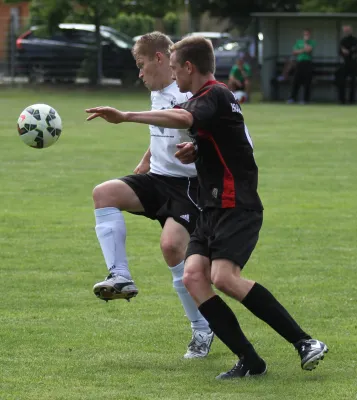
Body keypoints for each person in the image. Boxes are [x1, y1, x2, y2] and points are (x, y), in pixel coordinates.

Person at [85, 35, 328, 380]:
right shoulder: (202, 98)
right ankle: (249, 360)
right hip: (213, 206)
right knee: (194, 276)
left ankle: (305, 342)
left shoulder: (215, 94)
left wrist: (124, 116)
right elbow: (212, 136)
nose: (171, 75)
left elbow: (188, 120)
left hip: (236, 205)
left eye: (174, 68)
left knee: (223, 277)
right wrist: (195, 150)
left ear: (188, 67)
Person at [90, 31, 213, 359]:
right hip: (158, 178)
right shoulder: (159, 89)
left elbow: (195, 126)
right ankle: (120, 276)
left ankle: (202, 328)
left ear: (160, 59)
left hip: (189, 186)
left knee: (172, 248)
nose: (140, 73)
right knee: (104, 193)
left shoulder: (186, 91)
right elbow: (161, 135)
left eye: (142, 64)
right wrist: (144, 163)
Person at [287, 29, 316, 104]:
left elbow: (309, 50)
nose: (306, 36)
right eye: (305, 34)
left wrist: (305, 43)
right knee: (296, 81)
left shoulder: (312, 42)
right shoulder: (298, 42)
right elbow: (294, 52)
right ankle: (292, 98)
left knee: (307, 82)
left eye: (307, 34)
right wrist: (303, 50)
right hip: (299, 63)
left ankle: (305, 100)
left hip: (308, 63)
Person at [337, 25, 357, 104]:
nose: (347, 31)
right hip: (345, 63)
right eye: (345, 30)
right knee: (341, 80)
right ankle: (342, 100)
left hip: (354, 63)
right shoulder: (343, 40)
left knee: (353, 81)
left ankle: (351, 100)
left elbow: (355, 50)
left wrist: (349, 52)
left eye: (348, 30)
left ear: (351, 30)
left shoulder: (355, 40)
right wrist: (343, 52)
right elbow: (340, 51)